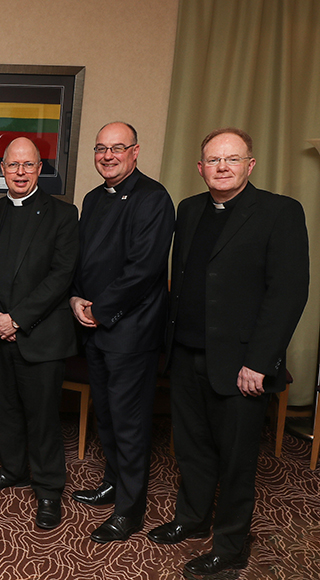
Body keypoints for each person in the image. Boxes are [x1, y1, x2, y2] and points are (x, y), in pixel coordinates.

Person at [147, 128, 309, 577]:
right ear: (200, 168)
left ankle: (232, 545)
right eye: (213, 160)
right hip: (184, 355)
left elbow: (288, 294)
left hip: (241, 365)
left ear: (249, 165)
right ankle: (192, 517)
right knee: (192, 448)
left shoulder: (279, 212)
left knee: (237, 460)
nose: (221, 167)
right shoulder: (190, 209)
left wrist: (260, 361)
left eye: (232, 159)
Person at [69, 122, 175, 543]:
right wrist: (76, 299)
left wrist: (99, 308)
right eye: (101, 148)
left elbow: (144, 269)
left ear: (135, 152)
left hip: (131, 331)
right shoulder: (93, 198)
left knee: (130, 423)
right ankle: (112, 482)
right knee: (108, 417)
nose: (107, 155)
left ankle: (129, 511)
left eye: (117, 148)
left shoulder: (153, 198)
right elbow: (83, 261)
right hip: (94, 327)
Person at [0, 138, 79, 529]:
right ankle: (12, 469)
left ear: (40, 168)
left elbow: (61, 276)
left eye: (27, 165)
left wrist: (16, 318)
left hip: (41, 335)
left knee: (43, 417)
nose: (19, 172)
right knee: (6, 408)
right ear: (1, 167)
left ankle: (48, 490)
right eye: (13, 165)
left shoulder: (64, 215)